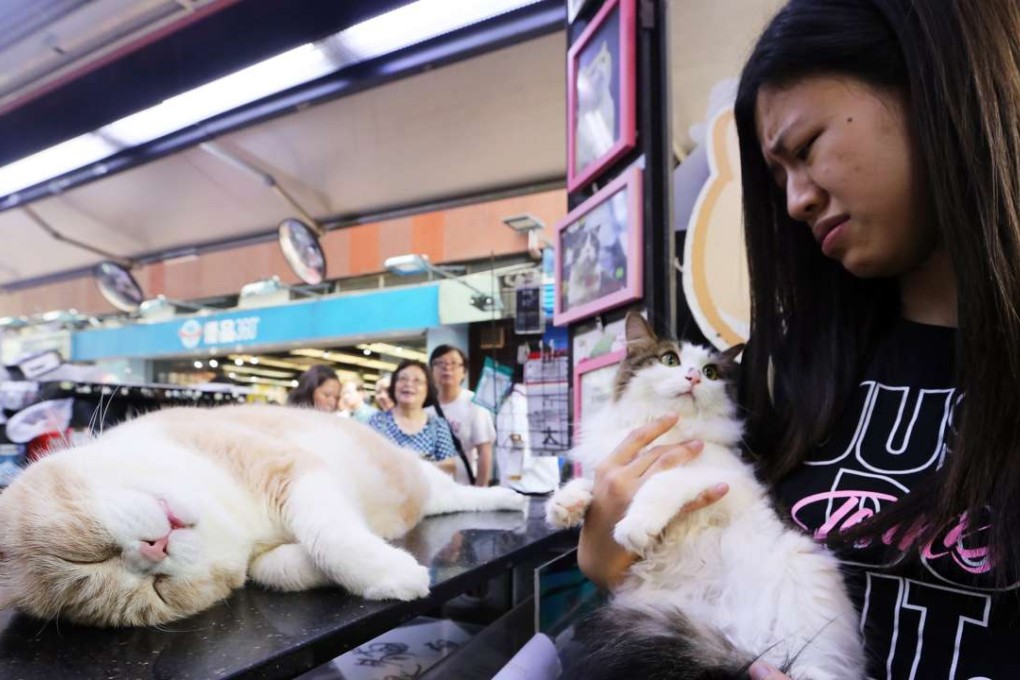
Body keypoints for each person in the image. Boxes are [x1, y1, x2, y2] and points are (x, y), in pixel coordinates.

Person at [575, 1, 1020, 679]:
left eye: (806, 148)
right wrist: (609, 563)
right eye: (777, 175)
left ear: (935, 85)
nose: (794, 201)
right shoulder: (779, 380)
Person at [368, 360, 457, 476]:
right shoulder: (377, 422)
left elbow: (449, 468)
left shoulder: (437, 426)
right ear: (394, 385)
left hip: (427, 493)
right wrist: (425, 465)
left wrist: (406, 468)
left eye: (417, 381)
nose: (409, 384)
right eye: (403, 379)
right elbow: (367, 463)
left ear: (427, 389)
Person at [428, 345, 495, 487]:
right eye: (440, 363)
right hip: (432, 488)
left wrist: (480, 490)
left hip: (464, 488)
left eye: (453, 363)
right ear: (431, 371)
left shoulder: (474, 404)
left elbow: (484, 451)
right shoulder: (425, 407)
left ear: (463, 372)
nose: (447, 368)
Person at [494, 368, 560, 495]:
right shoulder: (518, 406)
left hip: (530, 490)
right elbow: (520, 457)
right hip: (529, 492)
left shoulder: (524, 402)